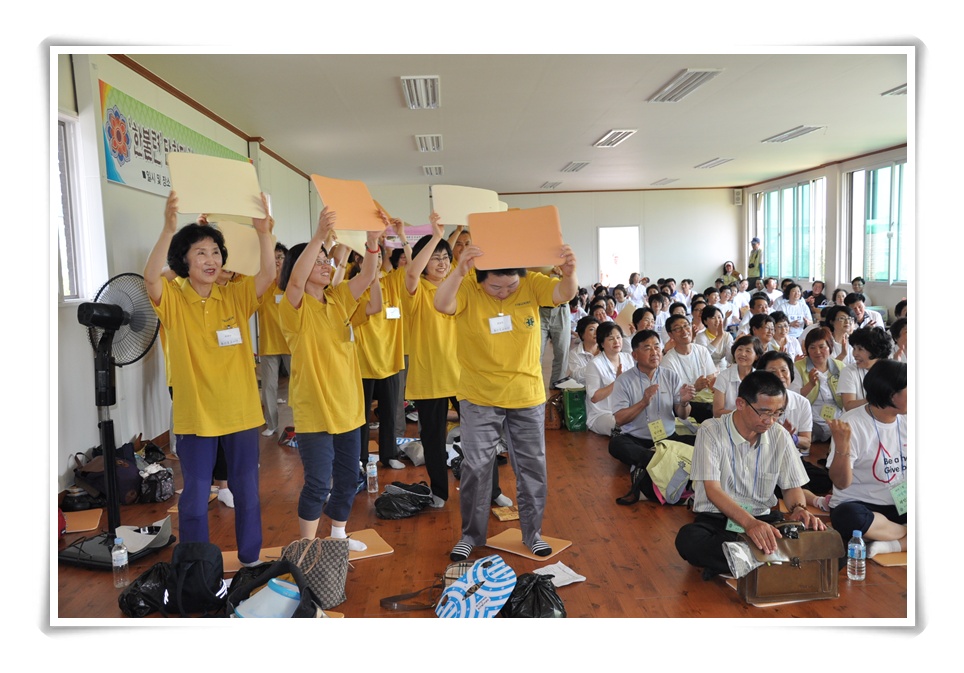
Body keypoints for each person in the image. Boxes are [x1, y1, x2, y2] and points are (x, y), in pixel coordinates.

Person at [145, 191, 276, 566]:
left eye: (216, 252)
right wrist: (168, 229)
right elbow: (151, 277)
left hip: (240, 412)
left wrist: (264, 232)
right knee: (195, 495)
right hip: (196, 414)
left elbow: (268, 275)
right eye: (201, 252)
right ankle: (196, 567)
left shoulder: (234, 296)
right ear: (184, 260)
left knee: (247, 491)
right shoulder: (173, 299)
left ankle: (250, 560)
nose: (211, 259)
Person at [434, 240, 578, 561]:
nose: (504, 292)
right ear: (480, 279)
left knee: (531, 465)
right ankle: (471, 535)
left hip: (526, 394)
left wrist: (570, 274)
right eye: (495, 287)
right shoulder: (467, 287)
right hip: (479, 395)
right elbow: (442, 304)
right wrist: (458, 272)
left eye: (511, 286)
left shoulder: (532, 283)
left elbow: (563, 293)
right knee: (476, 466)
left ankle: (532, 533)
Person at [279, 207, 383, 550]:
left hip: (349, 407)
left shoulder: (338, 299)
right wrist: (319, 236)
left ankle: (338, 534)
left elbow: (367, 276)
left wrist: (372, 243)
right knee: (318, 483)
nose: (326, 265)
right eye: (318, 261)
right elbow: (296, 282)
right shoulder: (293, 306)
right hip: (315, 410)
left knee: (349, 476)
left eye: (327, 260)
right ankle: (307, 547)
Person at [674, 370, 825, 580]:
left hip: (764, 520)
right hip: (719, 519)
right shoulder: (711, 431)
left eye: (777, 413)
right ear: (741, 404)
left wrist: (799, 509)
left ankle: (745, 561)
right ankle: (773, 559)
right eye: (764, 412)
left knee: (831, 545)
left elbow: (791, 487)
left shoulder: (780, 435)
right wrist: (749, 524)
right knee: (689, 539)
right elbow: (712, 490)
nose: (770, 420)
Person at [827, 360, 907, 557]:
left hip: (901, 504)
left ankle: (892, 544)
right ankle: (908, 533)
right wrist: (842, 448)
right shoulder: (852, 423)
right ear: (891, 395)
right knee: (848, 518)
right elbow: (841, 483)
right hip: (862, 505)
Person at [607, 330, 696, 505]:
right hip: (637, 439)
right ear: (635, 355)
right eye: (647, 348)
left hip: (668, 439)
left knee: (701, 441)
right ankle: (665, 463)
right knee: (616, 444)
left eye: (657, 347)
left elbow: (683, 415)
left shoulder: (670, 376)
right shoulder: (624, 381)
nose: (654, 352)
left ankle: (649, 466)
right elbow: (620, 419)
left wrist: (684, 402)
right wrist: (643, 402)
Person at [257, 242, 291, 437]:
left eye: (280, 257)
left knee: (298, 384)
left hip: (291, 342)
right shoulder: (264, 284)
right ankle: (272, 424)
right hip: (269, 342)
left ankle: (301, 422)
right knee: (269, 386)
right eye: (274, 257)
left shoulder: (292, 283)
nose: (277, 261)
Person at [790, 327, 845, 442]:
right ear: (807, 350)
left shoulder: (840, 367)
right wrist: (810, 384)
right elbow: (794, 398)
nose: (817, 352)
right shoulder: (798, 367)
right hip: (812, 420)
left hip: (838, 418)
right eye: (812, 347)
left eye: (821, 347)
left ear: (830, 347)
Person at [661, 314, 718, 422]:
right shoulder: (667, 361)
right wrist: (695, 387)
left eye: (686, 326)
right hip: (684, 405)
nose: (684, 331)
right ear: (670, 334)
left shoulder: (702, 350)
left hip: (707, 399)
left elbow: (711, 378)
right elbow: (672, 397)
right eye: (678, 329)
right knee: (711, 411)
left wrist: (712, 382)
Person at [584, 322, 635, 437]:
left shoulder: (627, 358)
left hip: (625, 409)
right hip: (602, 414)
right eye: (611, 339)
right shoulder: (594, 364)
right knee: (624, 426)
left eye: (618, 337)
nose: (616, 342)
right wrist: (617, 382)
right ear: (602, 343)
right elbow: (594, 397)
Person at [838, 326, 893, 411]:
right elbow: (848, 406)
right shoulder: (849, 371)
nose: (854, 354)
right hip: (856, 417)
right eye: (854, 349)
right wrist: (873, 398)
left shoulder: (891, 370)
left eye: (860, 349)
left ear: (875, 350)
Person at [539, 266, 573, 389]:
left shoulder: (563, 262)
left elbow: (572, 287)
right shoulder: (535, 263)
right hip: (540, 309)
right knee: (535, 353)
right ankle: (534, 387)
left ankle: (557, 388)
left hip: (561, 309)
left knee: (562, 353)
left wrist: (564, 275)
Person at [712, 335, 763, 417]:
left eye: (748, 351)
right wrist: (745, 415)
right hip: (726, 422)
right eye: (739, 349)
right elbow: (717, 412)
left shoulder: (760, 379)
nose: (742, 354)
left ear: (756, 356)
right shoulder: (723, 377)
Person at [695, 305, 734, 370]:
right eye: (713, 318)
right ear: (705, 321)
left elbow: (730, 359)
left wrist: (736, 349)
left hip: (722, 367)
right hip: (706, 369)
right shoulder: (701, 336)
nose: (717, 320)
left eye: (719, 317)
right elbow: (703, 356)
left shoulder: (727, 336)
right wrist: (719, 337)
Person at [568, 316, 601, 385]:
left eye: (598, 329)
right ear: (582, 334)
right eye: (592, 329)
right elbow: (576, 376)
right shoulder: (574, 354)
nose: (596, 333)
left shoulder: (606, 350)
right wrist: (595, 365)